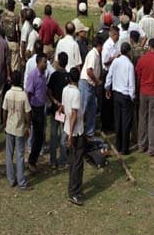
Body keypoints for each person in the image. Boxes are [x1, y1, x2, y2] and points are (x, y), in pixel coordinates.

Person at [2, 70, 31, 190]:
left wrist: (4, 124)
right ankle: (21, 181)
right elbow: (28, 112)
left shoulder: (8, 94)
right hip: (20, 128)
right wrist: (28, 125)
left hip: (9, 127)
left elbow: (4, 111)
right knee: (19, 155)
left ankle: (11, 179)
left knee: (9, 154)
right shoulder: (23, 95)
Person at [105, 41, 135, 155]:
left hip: (116, 94)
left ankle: (118, 145)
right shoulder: (129, 65)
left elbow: (109, 76)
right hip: (126, 95)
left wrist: (107, 88)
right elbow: (131, 83)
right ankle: (125, 147)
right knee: (126, 122)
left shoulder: (115, 62)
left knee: (118, 120)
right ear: (128, 51)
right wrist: (132, 96)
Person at [63, 67, 85, 206]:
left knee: (73, 160)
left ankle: (74, 187)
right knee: (77, 162)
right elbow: (74, 114)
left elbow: (65, 107)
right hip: (76, 131)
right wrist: (71, 135)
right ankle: (74, 192)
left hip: (68, 129)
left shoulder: (66, 90)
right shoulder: (76, 93)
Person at [25, 53, 48, 171]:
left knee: (40, 136)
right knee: (37, 136)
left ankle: (33, 160)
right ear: (38, 62)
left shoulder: (43, 75)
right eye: (44, 61)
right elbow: (28, 93)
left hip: (41, 107)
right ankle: (31, 161)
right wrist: (28, 111)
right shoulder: (33, 75)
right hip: (34, 108)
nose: (46, 64)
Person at [47, 51, 70, 170]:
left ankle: (52, 161)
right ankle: (62, 160)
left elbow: (48, 90)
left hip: (56, 109)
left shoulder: (54, 75)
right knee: (63, 135)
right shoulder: (69, 77)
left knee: (53, 135)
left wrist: (54, 101)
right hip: (64, 110)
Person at [80, 35, 104, 139]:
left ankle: (89, 132)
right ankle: (79, 132)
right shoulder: (93, 55)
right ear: (99, 45)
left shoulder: (97, 55)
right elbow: (89, 71)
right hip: (87, 84)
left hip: (91, 85)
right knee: (84, 108)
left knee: (92, 109)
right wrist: (97, 81)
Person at [0, 0, 21, 73]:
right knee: (14, 66)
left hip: (5, 41)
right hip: (14, 42)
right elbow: (19, 30)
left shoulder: (3, 15)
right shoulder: (16, 17)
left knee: (6, 63)